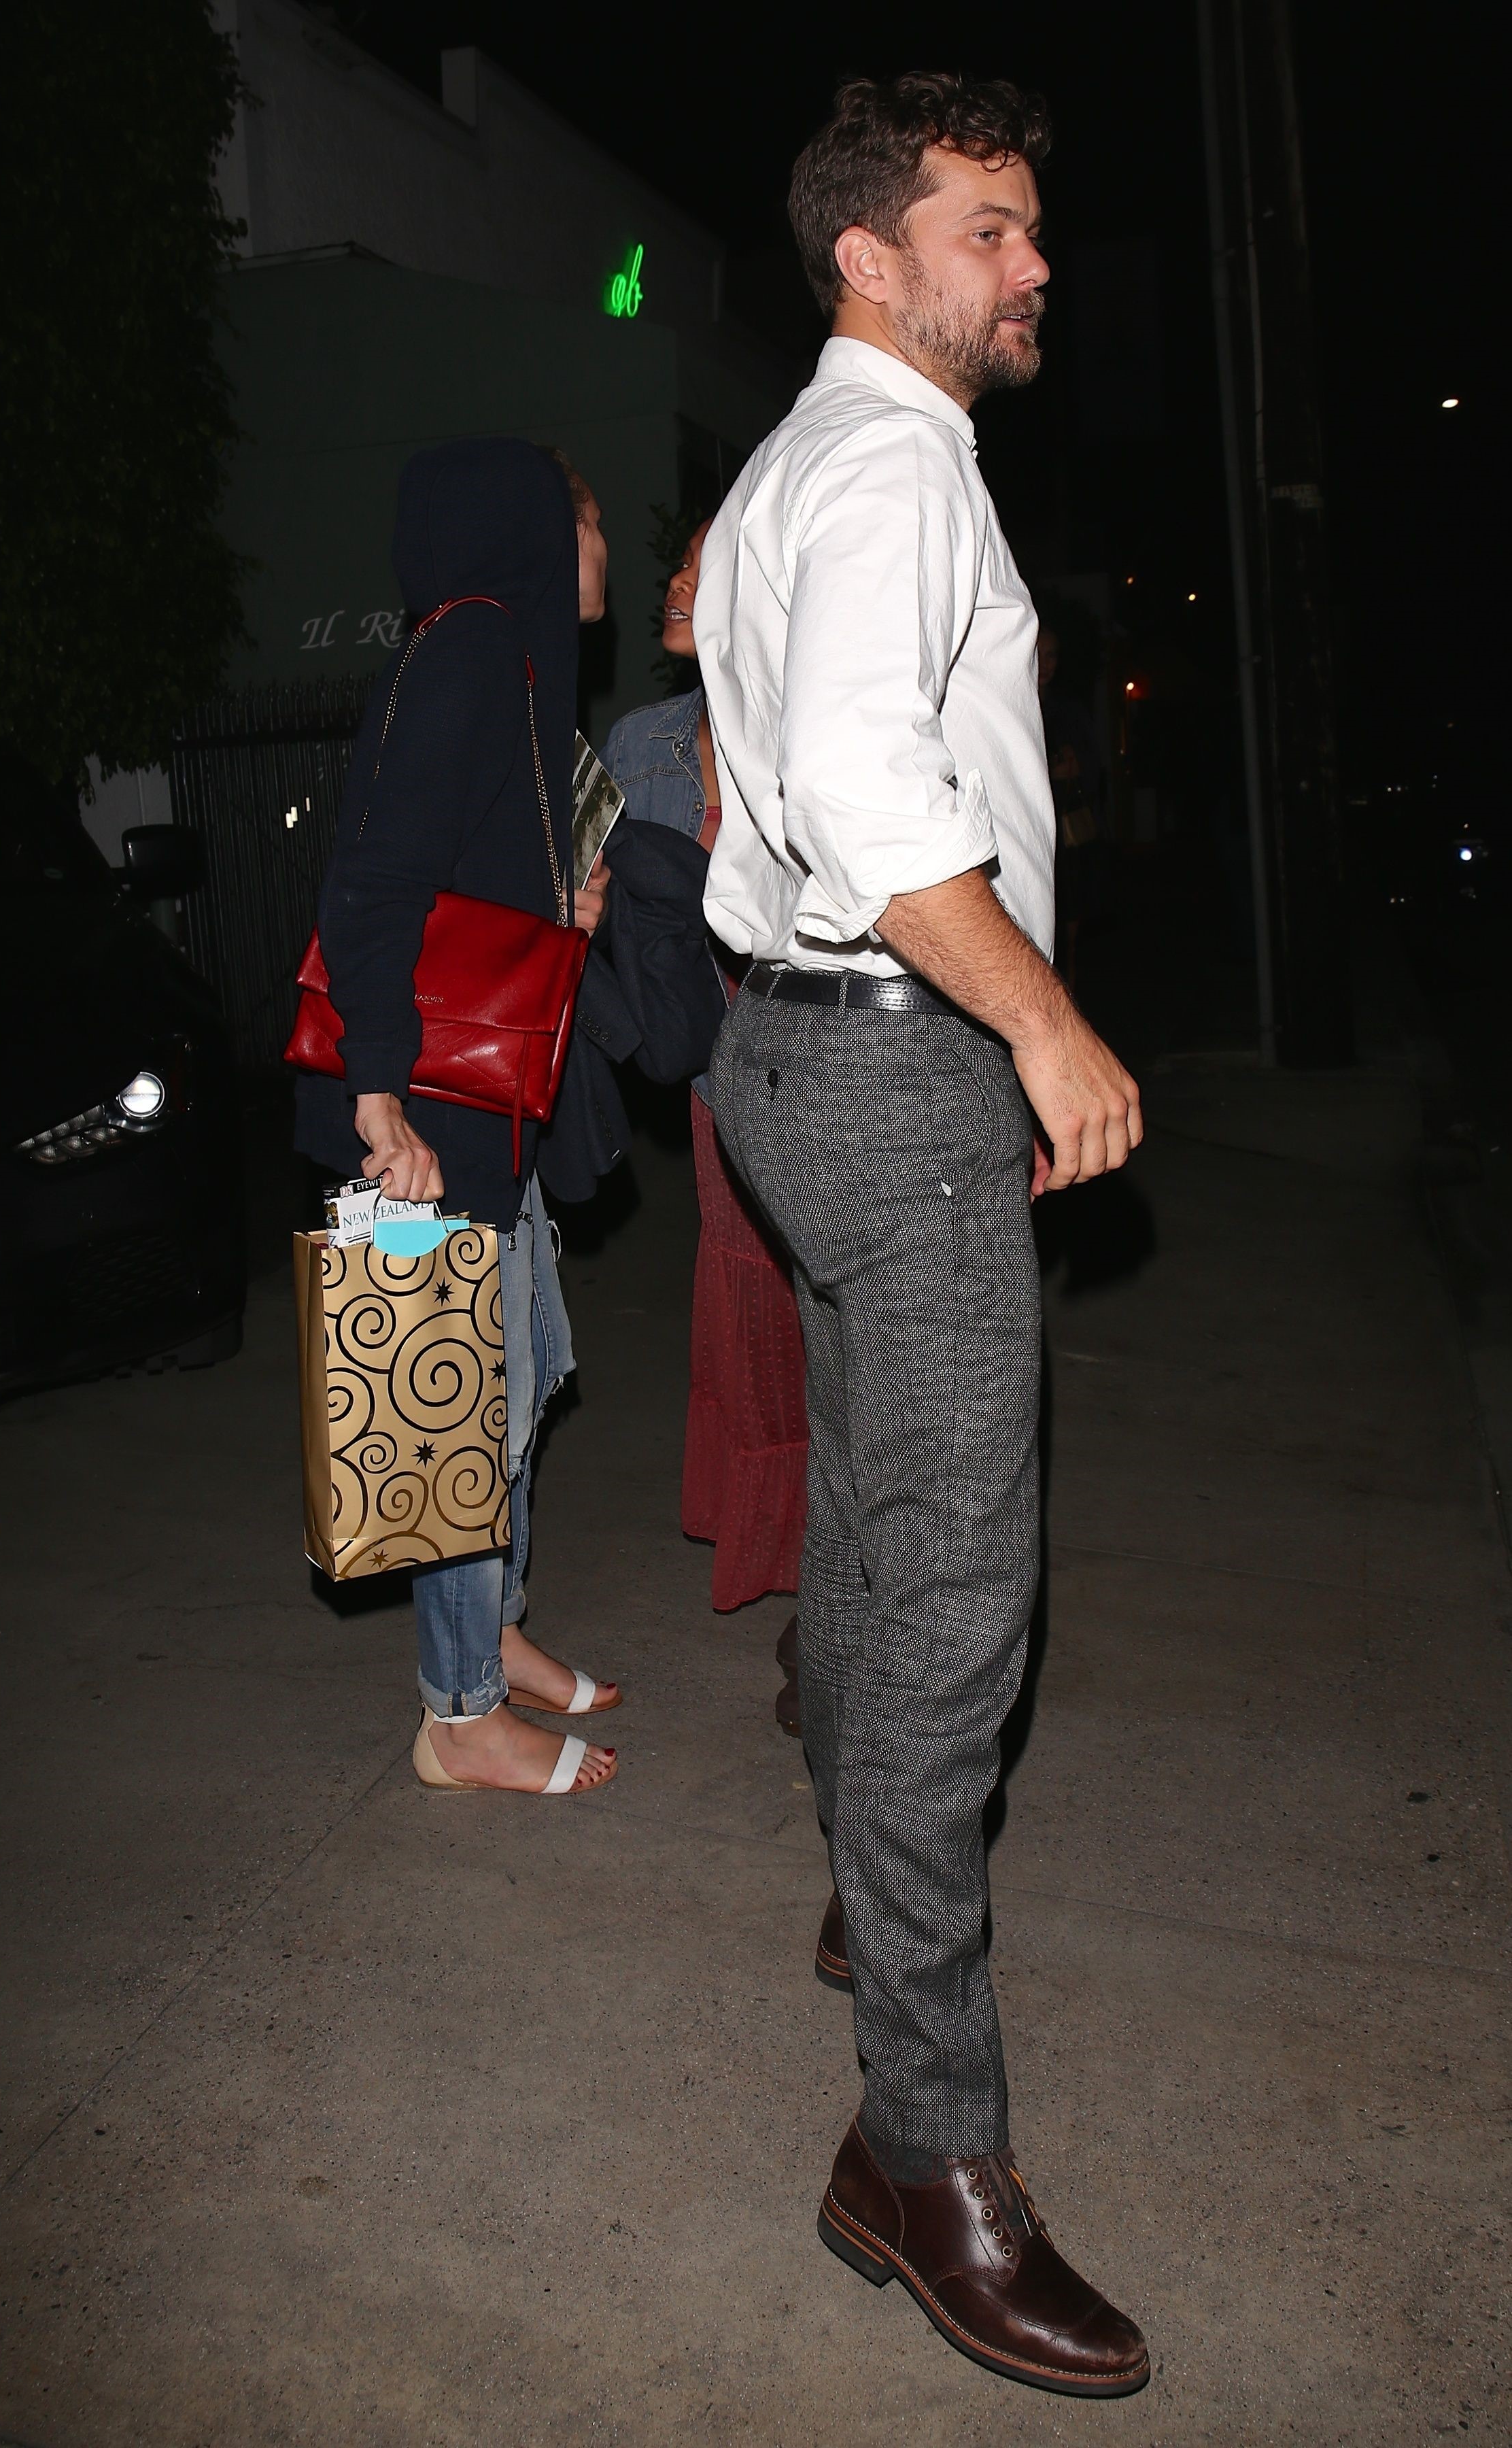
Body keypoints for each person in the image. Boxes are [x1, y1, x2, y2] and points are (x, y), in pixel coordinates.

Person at [698, 75, 1150, 2392]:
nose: (1029, 261)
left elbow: (726, 664)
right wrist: (1048, 1030)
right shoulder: (883, 461)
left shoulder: (803, 461)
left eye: (1029, 229)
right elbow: (872, 796)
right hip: (895, 1064)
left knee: (886, 1546)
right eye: (989, 226)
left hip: (790, 1058)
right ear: (874, 258)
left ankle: (857, 1897)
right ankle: (922, 2153)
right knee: (957, 1595)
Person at [294, 439, 620, 1800]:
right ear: (538, 535)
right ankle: (459, 1711)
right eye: (590, 529)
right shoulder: (478, 652)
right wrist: (377, 1092)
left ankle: (487, 1622)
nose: (600, 557)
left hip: (481, 1096)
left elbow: (466, 867)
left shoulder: (506, 666)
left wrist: (566, 906)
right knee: (451, 1415)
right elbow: (373, 880)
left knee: (526, 1362)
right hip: (421, 1101)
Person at [602, 524, 810, 1635]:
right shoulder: (638, 742)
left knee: (840, 1335)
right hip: (721, 1084)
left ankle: (845, 1600)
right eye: (672, 568)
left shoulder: (819, 729)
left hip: (829, 1064)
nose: (675, 583)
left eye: (702, 567)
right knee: (760, 1333)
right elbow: (570, 893)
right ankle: (805, 1600)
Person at [1037, 619, 1109, 988]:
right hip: (1029, 829)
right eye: (1038, 654)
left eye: (1052, 656)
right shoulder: (1010, 705)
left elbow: (1090, 764)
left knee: (1071, 914)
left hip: (1069, 832)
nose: (1045, 664)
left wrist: (1070, 764)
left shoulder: (1069, 710)